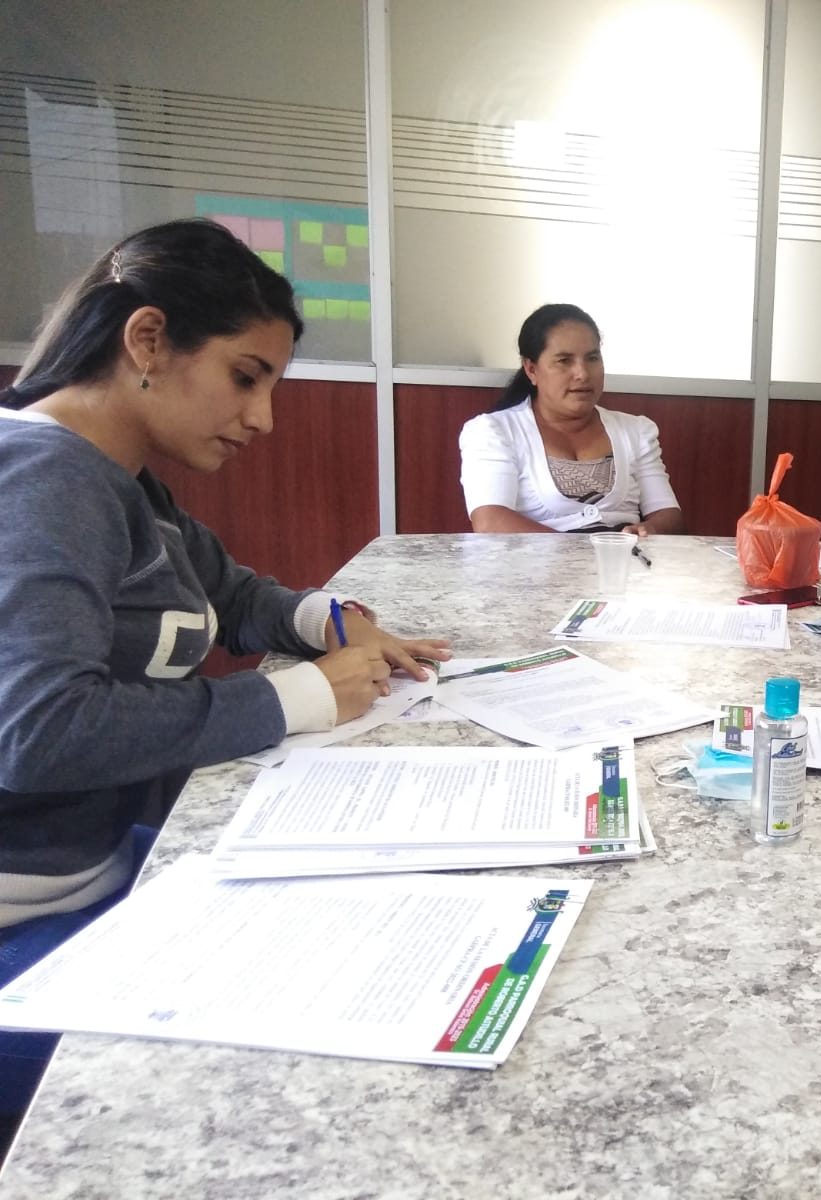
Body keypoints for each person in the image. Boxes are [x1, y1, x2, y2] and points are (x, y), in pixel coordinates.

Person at [0, 218, 451, 1118]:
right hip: (30, 920)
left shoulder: (123, 477)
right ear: (148, 340)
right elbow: (39, 732)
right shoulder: (46, 480)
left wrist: (332, 621)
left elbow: (231, 593)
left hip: (97, 867)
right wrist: (294, 698)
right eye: (247, 378)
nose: (262, 418)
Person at [459, 304, 684, 534]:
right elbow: (490, 522)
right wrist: (580, 552)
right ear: (531, 370)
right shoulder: (494, 431)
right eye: (564, 360)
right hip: (537, 558)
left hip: (628, 555)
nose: (583, 374)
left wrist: (649, 530)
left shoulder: (636, 430)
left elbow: (668, 514)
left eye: (592, 358)